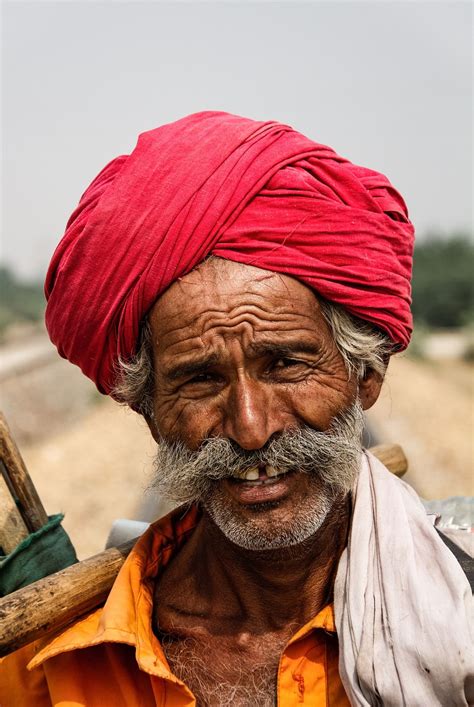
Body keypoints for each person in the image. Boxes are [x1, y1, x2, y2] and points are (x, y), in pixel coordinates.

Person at [1, 112, 471, 706]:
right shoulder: (48, 672)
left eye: (286, 365)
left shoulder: (461, 608)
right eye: (200, 379)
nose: (251, 428)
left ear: (366, 378)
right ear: (148, 409)